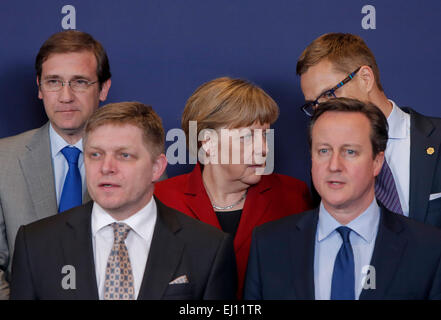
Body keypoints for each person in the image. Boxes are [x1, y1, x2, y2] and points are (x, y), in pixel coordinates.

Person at [10, 102, 236, 300]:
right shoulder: (36, 244)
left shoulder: (208, 248)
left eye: (124, 155)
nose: (106, 168)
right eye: (95, 155)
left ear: (156, 168)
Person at [244, 98, 441, 300]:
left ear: (377, 161)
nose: (334, 165)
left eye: (349, 152)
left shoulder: (428, 248)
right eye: (324, 151)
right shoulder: (268, 244)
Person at [154, 77, 312, 298]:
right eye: (248, 136)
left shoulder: (293, 196)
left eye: (265, 135)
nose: (263, 148)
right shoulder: (160, 200)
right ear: (208, 142)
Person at [0, 30, 112, 299]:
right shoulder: (3, 160)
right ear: (39, 88)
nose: (65, 96)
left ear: (103, 88)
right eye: (54, 82)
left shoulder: (136, 162)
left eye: (80, 82)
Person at [296, 33, 441, 228]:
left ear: (365, 78)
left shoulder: (436, 138)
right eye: (313, 105)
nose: (321, 111)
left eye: (329, 94)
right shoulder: (327, 167)